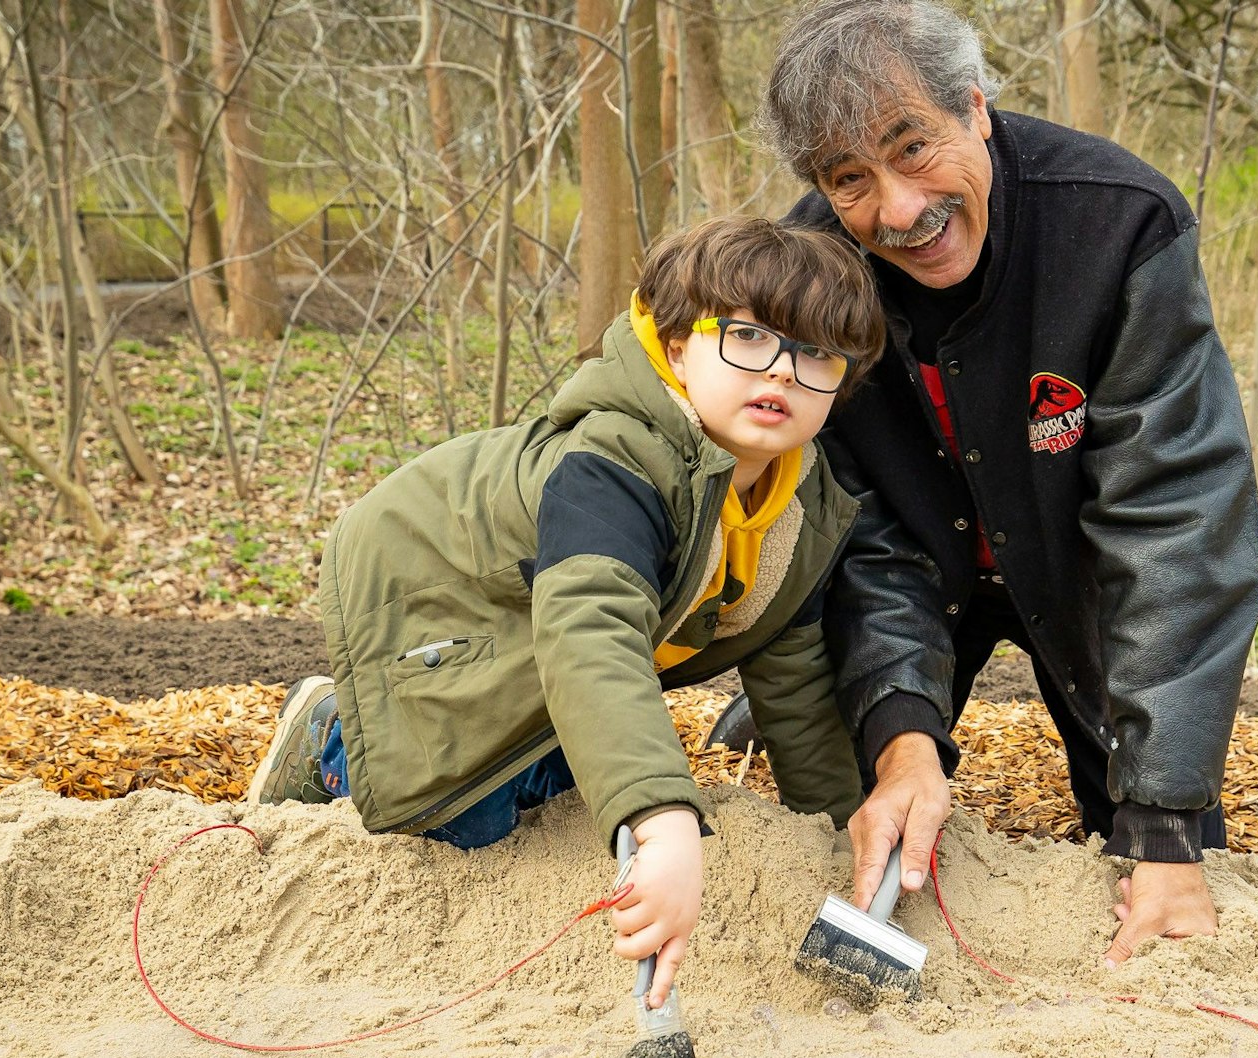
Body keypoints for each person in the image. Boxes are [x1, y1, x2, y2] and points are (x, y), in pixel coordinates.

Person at [247, 215, 884, 1007]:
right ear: (680, 345)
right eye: (749, 337)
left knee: (561, 779)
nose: (782, 374)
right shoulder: (614, 462)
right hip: (436, 582)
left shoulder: (799, 507)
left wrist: (836, 830)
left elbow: (793, 680)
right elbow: (594, 629)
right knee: (467, 814)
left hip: (540, 621)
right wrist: (660, 818)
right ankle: (335, 734)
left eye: (815, 354)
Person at [758, 0, 1258, 967]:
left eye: (914, 149)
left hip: (1086, 570)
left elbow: (1177, 519)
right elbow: (862, 534)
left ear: (976, 109)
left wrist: (1161, 823)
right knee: (842, 812)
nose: (899, 210)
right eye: (849, 180)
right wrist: (902, 731)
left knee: (1151, 837)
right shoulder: (815, 269)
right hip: (925, 565)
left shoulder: (1121, 223)